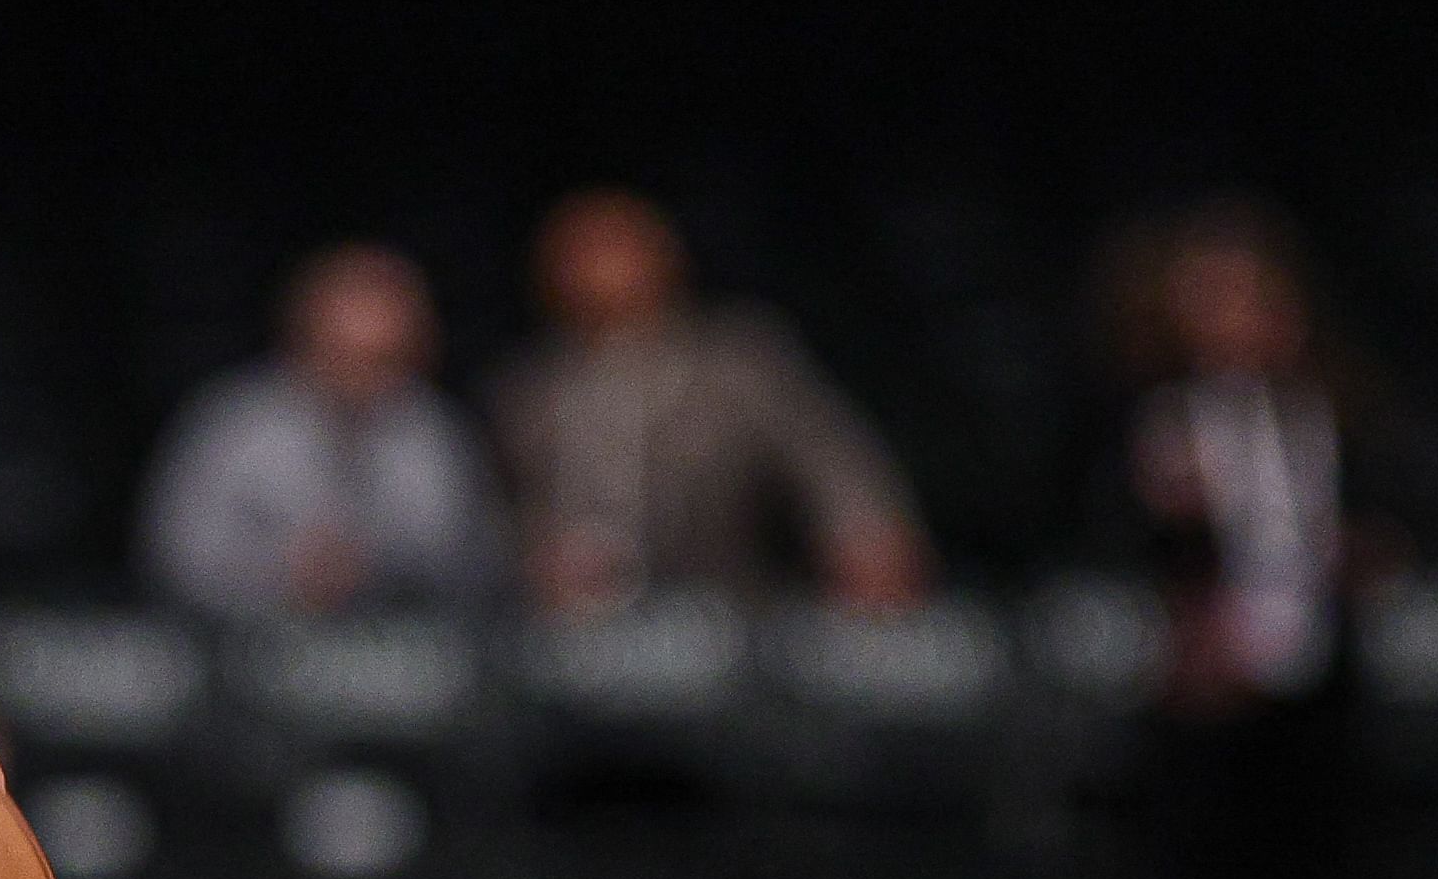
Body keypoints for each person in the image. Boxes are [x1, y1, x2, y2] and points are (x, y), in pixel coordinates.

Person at [1093, 198, 1438, 879]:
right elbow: (1093, 541)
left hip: (1318, 694)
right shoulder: (1147, 420)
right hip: (1197, 706)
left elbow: (1401, 511)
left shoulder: (1340, 412)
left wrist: (1369, 553)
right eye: (1210, 303)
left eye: (1251, 299)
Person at [494, 188, 930, 613]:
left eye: (615, 245)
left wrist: (866, 536)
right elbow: (489, 518)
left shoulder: (737, 364)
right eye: (578, 252)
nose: (599, 266)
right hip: (569, 630)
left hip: (726, 614)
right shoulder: (526, 391)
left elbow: (832, 459)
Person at [141, 243, 504, 621]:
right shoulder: (233, 424)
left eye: (386, 361)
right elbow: (174, 556)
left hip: (403, 651)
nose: (366, 382)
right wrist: (281, 573)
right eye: (347, 356)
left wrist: (378, 567)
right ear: (301, 340)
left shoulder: (436, 431)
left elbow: (476, 563)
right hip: (247, 648)